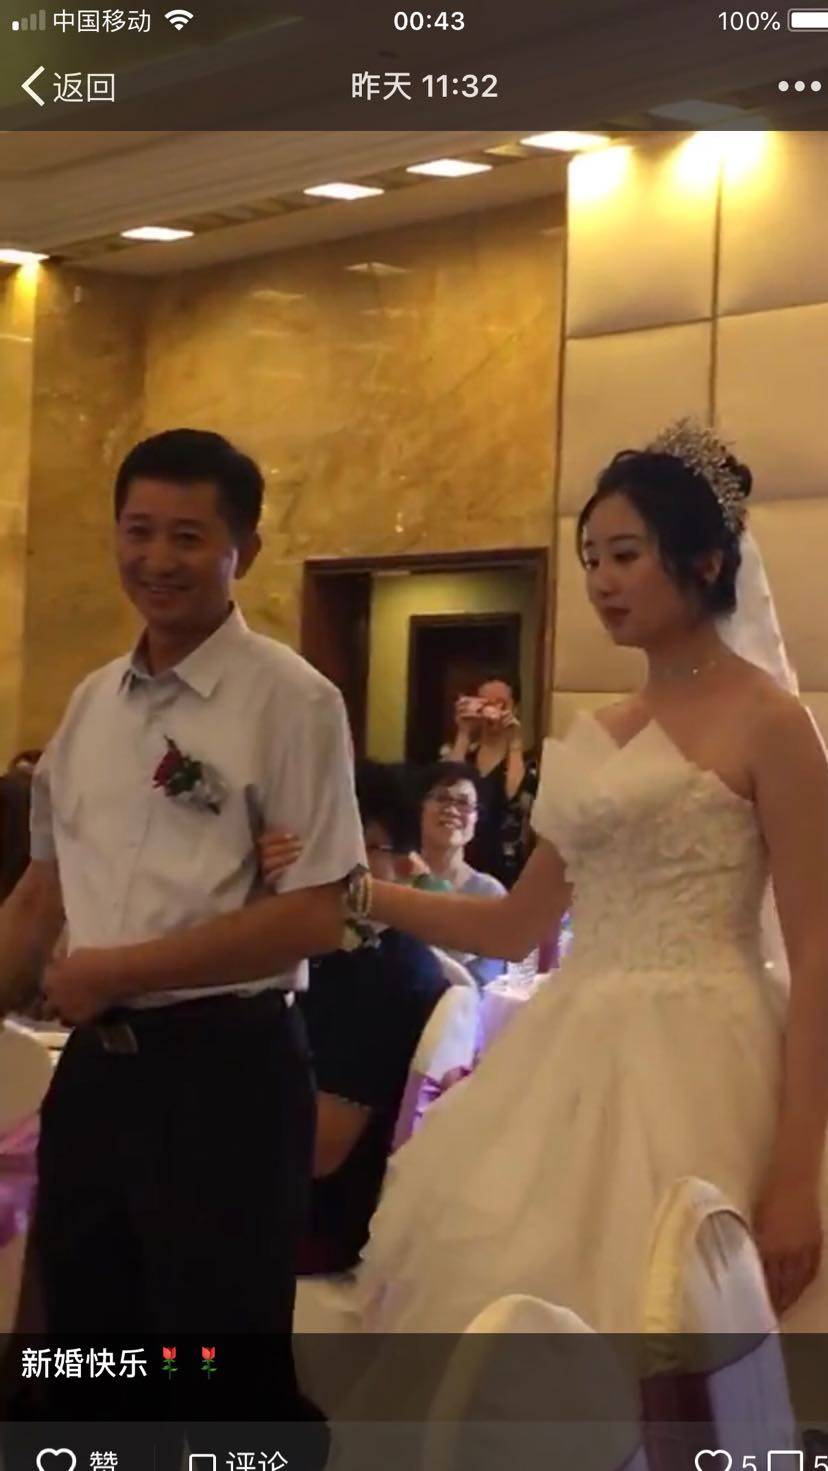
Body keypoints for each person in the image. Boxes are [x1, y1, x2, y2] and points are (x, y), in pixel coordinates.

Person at [339, 419, 828, 1335]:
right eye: (591, 558)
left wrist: (798, 1171)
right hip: (571, 1054)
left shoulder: (774, 725)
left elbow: (817, 948)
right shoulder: (598, 736)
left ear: (707, 561)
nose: (601, 580)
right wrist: (356, 892)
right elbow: (512, 925)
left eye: (625, 555)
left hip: (714, 1058)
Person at [0, 428, 364, 1429]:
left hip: (226, 1074)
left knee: (219, 1380)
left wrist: (117, 970)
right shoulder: (90, 706)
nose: (157, 559)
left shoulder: (292, 701)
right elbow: (39, 896)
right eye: (139, 531)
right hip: (99, 1076)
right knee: (84, 1363)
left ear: (244, 547)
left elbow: (321, 911)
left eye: (188, 537)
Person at [267, 761, 447, 1276]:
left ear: (405, 864)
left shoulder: (383, 975)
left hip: (314, 1223)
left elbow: (319, 1151)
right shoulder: (344, 951)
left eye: (353, 846)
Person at [416, 761, 507, 988]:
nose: (452, 810)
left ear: (476, 819)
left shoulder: (490, 893)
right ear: (419, 808)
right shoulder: (395, 879)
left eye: (464, 803)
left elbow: (488, 977)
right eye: (441, 799)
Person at [444, 675, 538, 887]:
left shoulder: (526, 763)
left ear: (515, 709)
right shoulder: (462, 755)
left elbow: (516, 799)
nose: (493, 710)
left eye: (501, 704)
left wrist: (514, 740)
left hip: (507, 868)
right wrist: (463, 733)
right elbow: (448, 788)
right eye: (485, 703)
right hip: (461, 864)